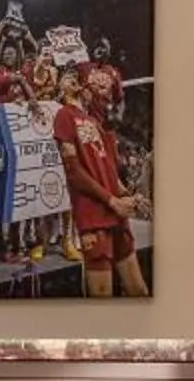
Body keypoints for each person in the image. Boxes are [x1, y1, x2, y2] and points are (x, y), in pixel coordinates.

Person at [52, 73, 148, 297]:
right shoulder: (63, 115)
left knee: (139, 290)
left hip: (117, 214)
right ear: (60, 91)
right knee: (102, 297)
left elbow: (109, 170)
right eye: (64, 77)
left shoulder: (93, 121)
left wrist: (130, 195)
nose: (71, 77)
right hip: (94, 218)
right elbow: (73, 172)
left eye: (74, 75)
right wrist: (111, 201)